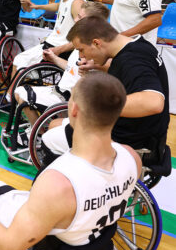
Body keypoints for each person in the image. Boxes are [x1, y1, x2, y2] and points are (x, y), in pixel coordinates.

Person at [0, 72, 142, 250]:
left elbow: (4, 249)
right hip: (94, 241)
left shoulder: (59, 184)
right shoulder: (132, 157)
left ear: (74, 110)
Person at [42, 16, 169, 161]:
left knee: (50, 139)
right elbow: (124, 69)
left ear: (96, 43)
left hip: (131, 139)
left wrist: (94, 106)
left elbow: (154, 102)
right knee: (54, 124)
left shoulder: (133, 59)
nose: (81, 56)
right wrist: (96, 66)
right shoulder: (138, 45)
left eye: (81, 50)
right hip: (145, 132)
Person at [13, 2, 110, 143]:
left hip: (70, 98)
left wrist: (94, 67)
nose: (76, 19)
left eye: (80, 17)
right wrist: (54, 58)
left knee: (23, 95)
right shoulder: (83, 41)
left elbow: (108, 65)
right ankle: (38, 131)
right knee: (19, 92)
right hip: (60, 91)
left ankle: (38, 135)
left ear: (93, 22)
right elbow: (71, 67)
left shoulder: (96, 47)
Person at [15, 0, 85, 72]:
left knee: (18, 61)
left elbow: (82, 38)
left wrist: (58, 50)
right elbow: (59, 6)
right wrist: (36, 6)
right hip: (53, 43)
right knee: (18, 62)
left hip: (59, 48)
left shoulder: (77, 3)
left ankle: (12, 89)